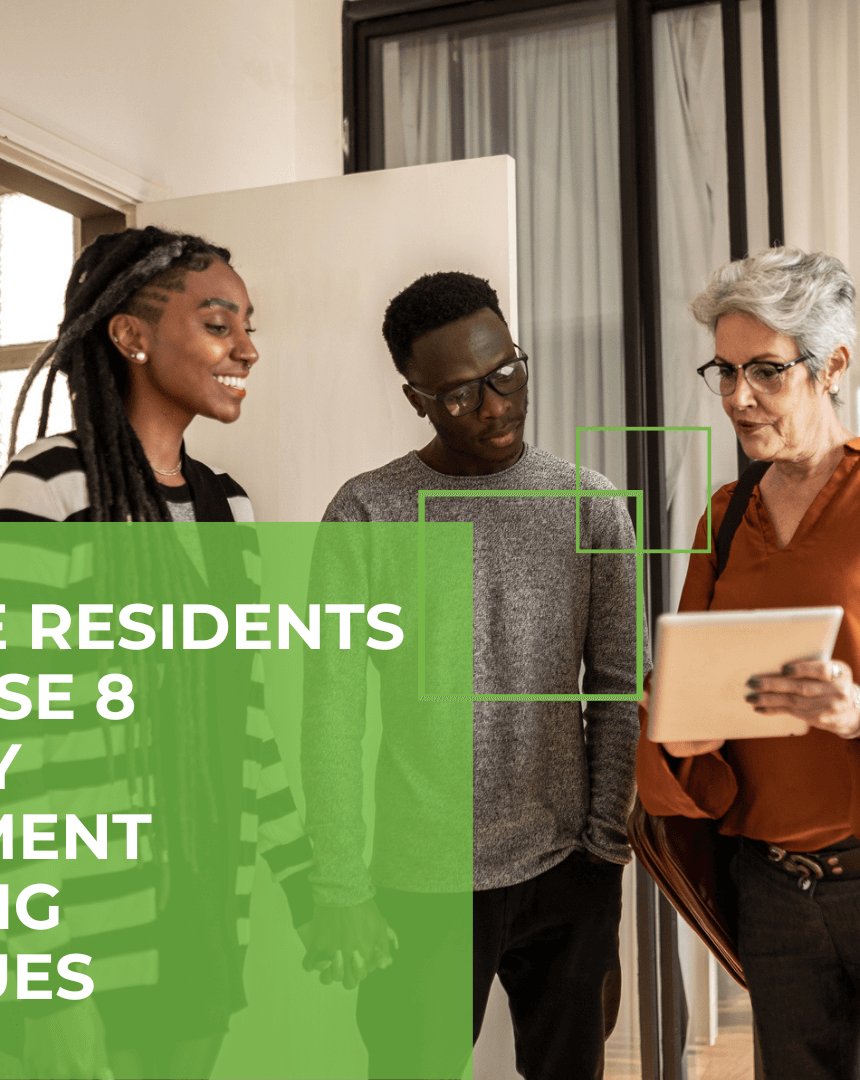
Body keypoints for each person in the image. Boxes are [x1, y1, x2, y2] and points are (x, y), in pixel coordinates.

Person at [637, 247, 860, 1080]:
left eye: (766, 370)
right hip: (773, 898)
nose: (739, 397)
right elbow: (679, 695)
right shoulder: (724, 519)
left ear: (832, 365)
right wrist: (679, 735)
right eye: (724, 371)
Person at [0, 226, 318, 1080]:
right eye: (217, 323)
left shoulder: (227, 507)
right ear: (130, 337)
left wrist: (304, 883)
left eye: (248, 323)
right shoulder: (50, 485)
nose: (246, 347)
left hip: (203, 912)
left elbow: (242, 718)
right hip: (79, 936)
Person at [305, 271, 639, 1079]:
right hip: (418, 882)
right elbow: (331, 715)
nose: (494, 405)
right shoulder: (369, 511)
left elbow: (619, 689)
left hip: (569, 869)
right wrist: (341, 885)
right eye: (459, 394)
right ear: (415, 397)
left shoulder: (591, 508)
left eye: (507, 373)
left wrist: (604, 844)